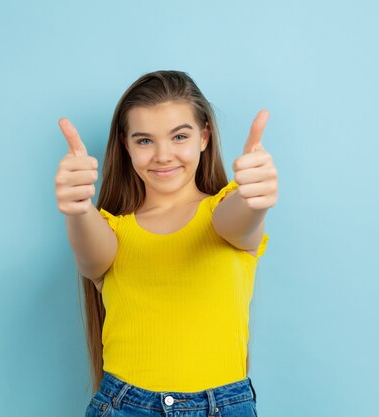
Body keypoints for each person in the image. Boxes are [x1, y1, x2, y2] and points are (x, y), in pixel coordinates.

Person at [54, 70, 278, 417]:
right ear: (126, 145)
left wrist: (255, 197)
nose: (162, 155)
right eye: (144, 140)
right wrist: (78, 208)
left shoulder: (223, 215)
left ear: (204, 136)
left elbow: (242, 219)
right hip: (124, 406)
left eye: (179, 136)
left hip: (223, 406)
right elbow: (90, 251)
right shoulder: (111, 233)